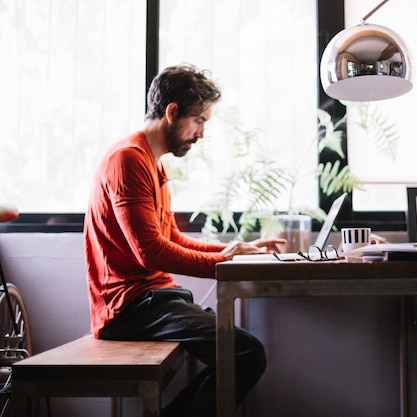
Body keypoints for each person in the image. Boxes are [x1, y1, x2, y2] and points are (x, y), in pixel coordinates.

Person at [84, 64, 285, 417]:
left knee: (239, 349)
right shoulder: (128, 160)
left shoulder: (153, 163)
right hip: (130, 308)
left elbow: (170, 238)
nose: (202, 133)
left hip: (153, 299)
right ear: (172, 111)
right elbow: (151, 252)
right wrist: (224, 263)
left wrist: (229, 253)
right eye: (199, 120)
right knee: (247, 354)